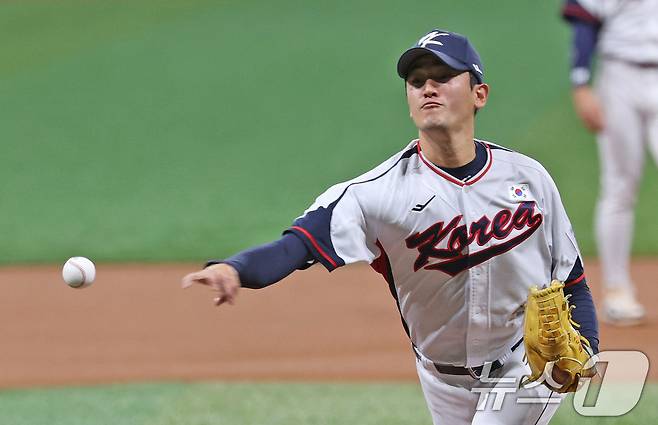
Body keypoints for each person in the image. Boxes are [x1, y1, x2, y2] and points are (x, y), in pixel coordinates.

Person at [182, 29, 599, 424]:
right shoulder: (377, 194)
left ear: (479, 94)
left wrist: (589, 351)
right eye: (417, 81)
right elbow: (298, 246)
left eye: (443, 77)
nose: (428, 88)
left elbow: (573, 279)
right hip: (440, 378)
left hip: (521, 367)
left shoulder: (528, 178)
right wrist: (234, 268)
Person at [562, 0, 658, 326]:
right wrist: (581, 83)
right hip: (619, 76)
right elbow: (584, 22)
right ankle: (617, 289)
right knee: (619, 186)